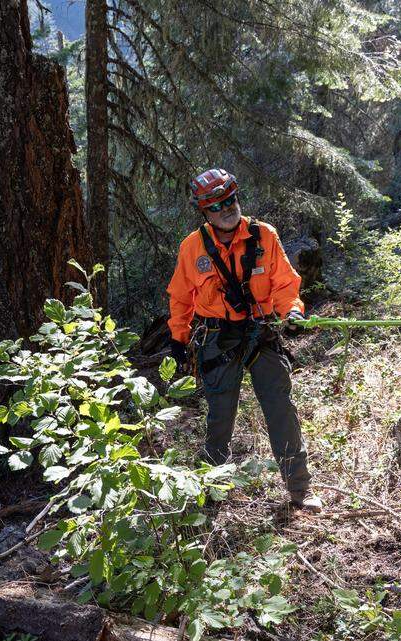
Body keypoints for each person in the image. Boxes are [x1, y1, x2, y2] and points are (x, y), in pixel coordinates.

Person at [165, 168, 323, 513]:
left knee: (280, 408)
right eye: (217, 205)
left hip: (260, 333)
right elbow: (180, 296)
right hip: (218, 339)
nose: (226, 208)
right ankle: (212, 488)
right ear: (205, 212)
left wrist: (292, 311)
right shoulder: (192, 248)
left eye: (230, 200)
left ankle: (300, 489)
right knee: (220, 416)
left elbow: (285, 284)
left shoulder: (263, 235)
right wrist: (178, 337)